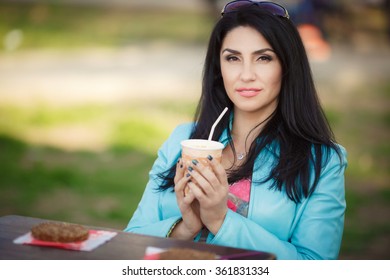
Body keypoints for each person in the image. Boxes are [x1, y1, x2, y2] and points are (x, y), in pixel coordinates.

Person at [124, 0, 347, 260]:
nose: (246, 74)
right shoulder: (182, 140)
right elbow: (129, 242)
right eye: (233, 58)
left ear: (287, 67)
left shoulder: (322, 161)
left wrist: (221, 221)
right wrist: (186, 227)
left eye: (263, 58)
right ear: (219, 67)